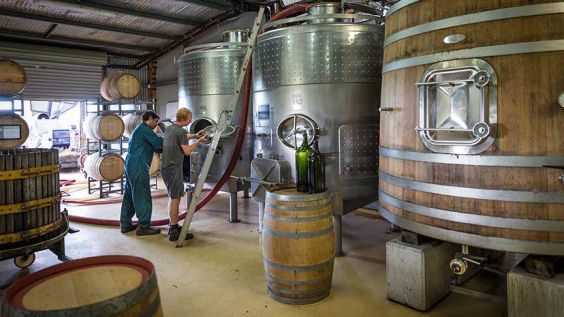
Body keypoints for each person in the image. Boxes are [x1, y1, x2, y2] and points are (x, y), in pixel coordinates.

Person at [162, 108, 208, 241]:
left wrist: (194, 135)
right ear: (182, 119)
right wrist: (199, 141)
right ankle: (174, 230)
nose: (191, 120)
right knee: (176, 198)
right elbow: (187, 151)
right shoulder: (181, 131)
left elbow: (181, 137)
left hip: (166, 167)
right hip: (174, 168)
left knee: (173, 197)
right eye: (189, 118)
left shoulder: (170, 128)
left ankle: (173, 226)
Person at [120, 111, 164, 236]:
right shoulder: (145, 130)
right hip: (138, 167)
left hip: (130, 166)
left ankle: (125, 224)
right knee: (142, 196)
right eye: (156, 122)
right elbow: (159, 145)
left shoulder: (138, 130)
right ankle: (144, 227)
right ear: (150, 118)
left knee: (129, 196)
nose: (156, 125)